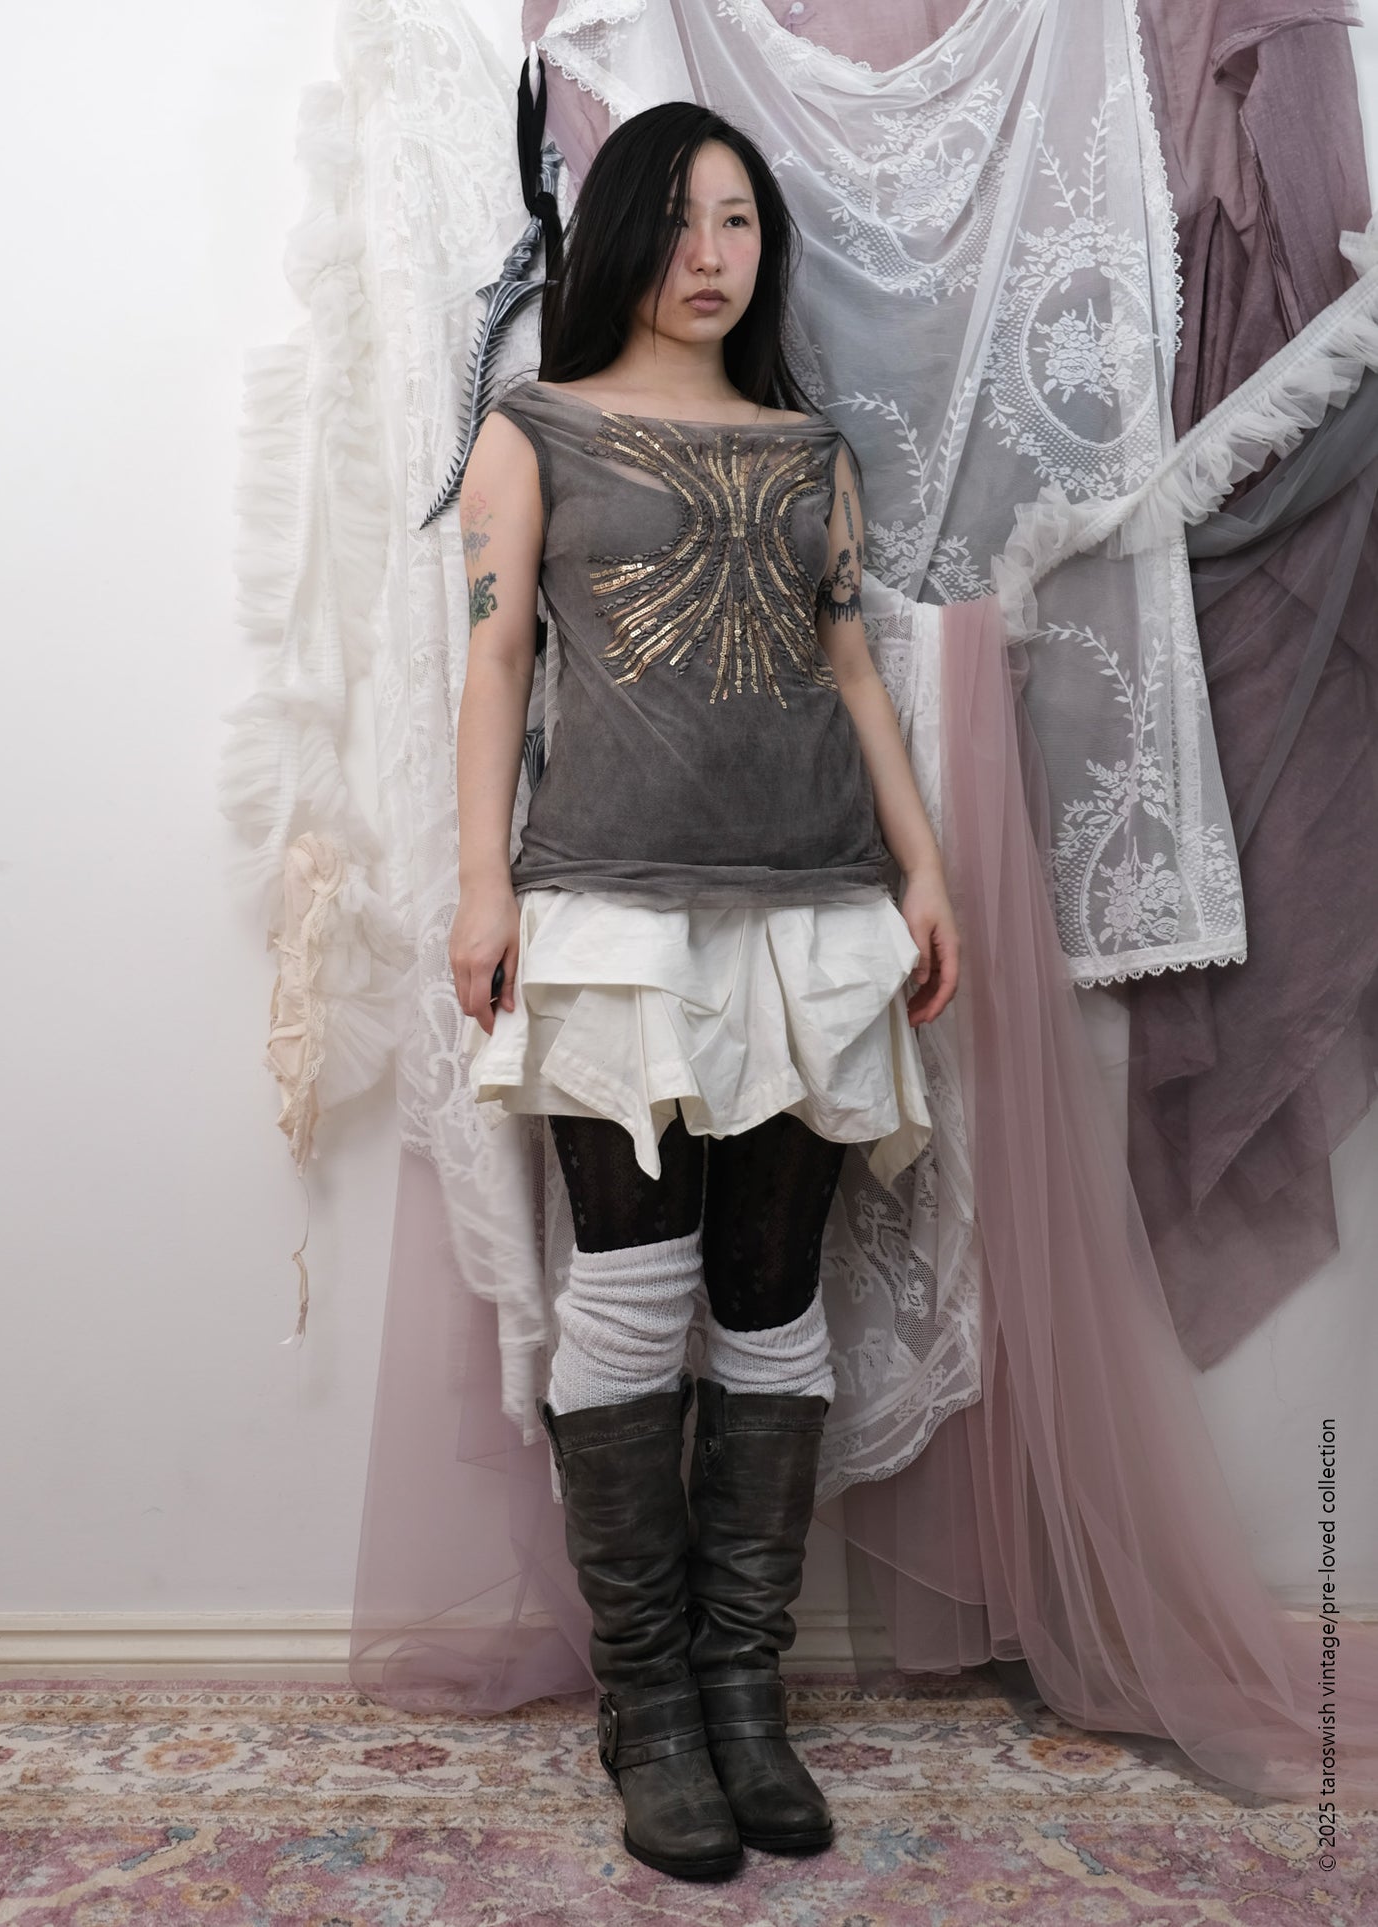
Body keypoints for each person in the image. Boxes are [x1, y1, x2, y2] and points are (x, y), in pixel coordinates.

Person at [448, 101, 959, 1884]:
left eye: (737, 221)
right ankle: (648, 1705)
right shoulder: (533, 429)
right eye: (675, 220)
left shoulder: (813, 450)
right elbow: (493, 665)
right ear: (618, 240)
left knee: (769, 1296)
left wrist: (922, 872)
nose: (708, 254)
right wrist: (480, 890)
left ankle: (744, 1695)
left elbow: (853, 668)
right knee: (627, 1290)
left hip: (813, 910)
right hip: (612, 909)